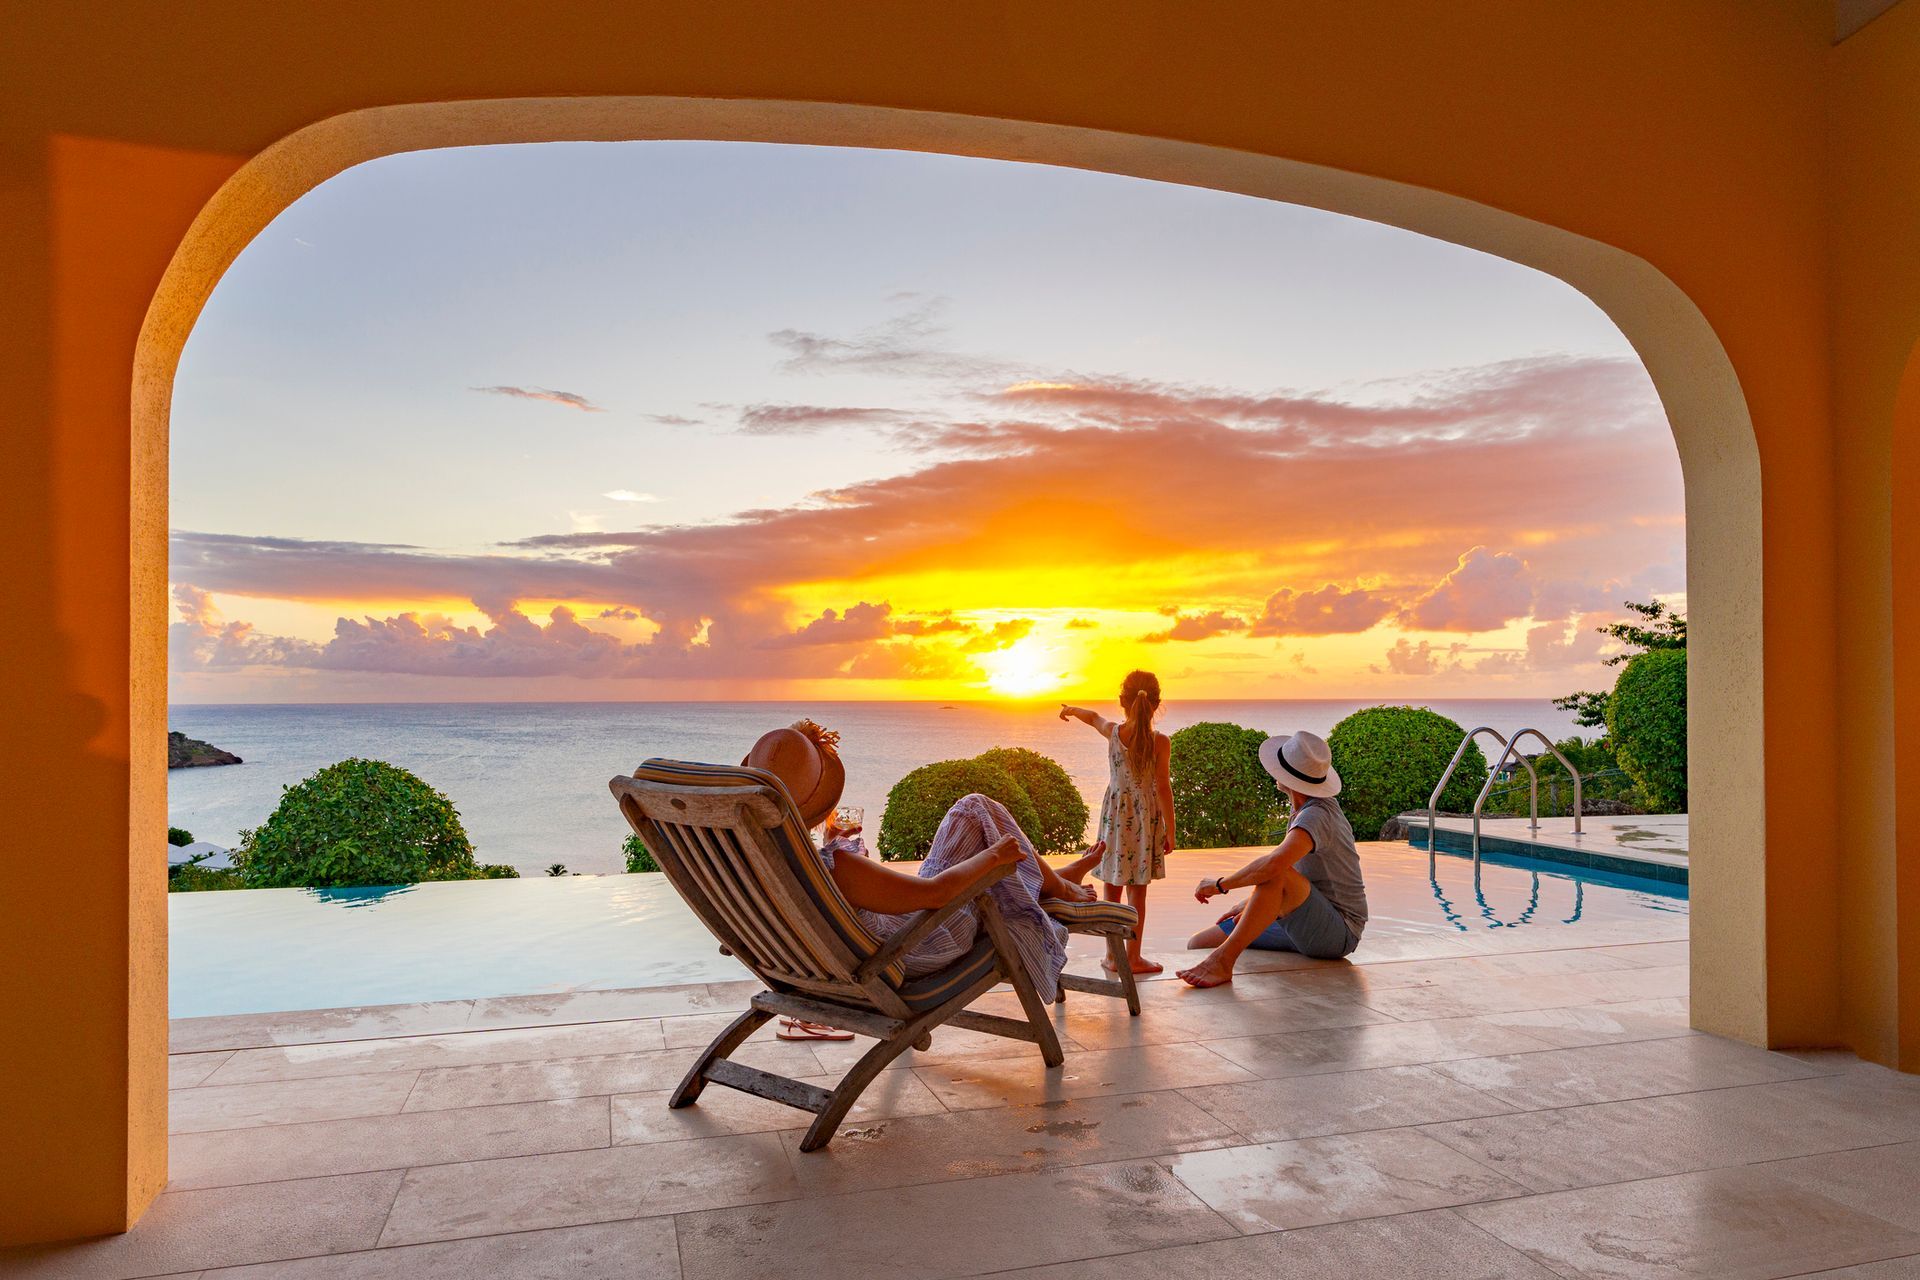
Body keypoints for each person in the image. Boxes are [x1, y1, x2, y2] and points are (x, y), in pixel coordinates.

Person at [744, 720, 1095, 1038]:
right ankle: (1057, 885)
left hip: (875, 946)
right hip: (922, 942)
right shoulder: (835, 868)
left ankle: (1051, 880)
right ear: (818, 803)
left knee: (973, 819)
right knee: (975, 808)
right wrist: (993, 858)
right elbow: (937, 894)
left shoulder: (758, 867)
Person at [1176, 730, 1366, 988]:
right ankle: (1219, 955)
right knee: (1199, 943)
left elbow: (1274, 866)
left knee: (1275, 873)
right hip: (1303, 918)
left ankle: (1223, 962)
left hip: (1338, 932)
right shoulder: (1302, 807)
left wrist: (1220, 885)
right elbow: (1292, 867)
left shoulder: (1317, 815)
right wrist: (1248, 903)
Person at [1055, 670, 1174, 974]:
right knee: (1138, 890)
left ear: (1123, 701)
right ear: (1156, 702)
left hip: (1116, 814)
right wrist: (1170, 830)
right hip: (1145, 818)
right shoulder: (1161, 742)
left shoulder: (1114, 732)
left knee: (1111, 885)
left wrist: (1070, 710)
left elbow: (1092, 716)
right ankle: (1133, 958)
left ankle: (1112, 957)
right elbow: (1163, 788)